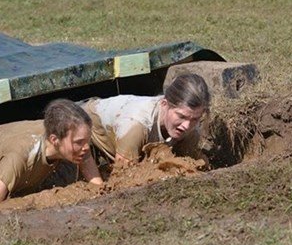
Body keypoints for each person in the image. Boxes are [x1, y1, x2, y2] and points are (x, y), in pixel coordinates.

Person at [81, 73, 211, 179]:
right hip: (80, 122)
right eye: (181, 116)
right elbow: (123, 179)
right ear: (164, 104)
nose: (186, 126)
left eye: (194, 119)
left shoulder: (190, 127)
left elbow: (192, 163)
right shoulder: (136, 125)